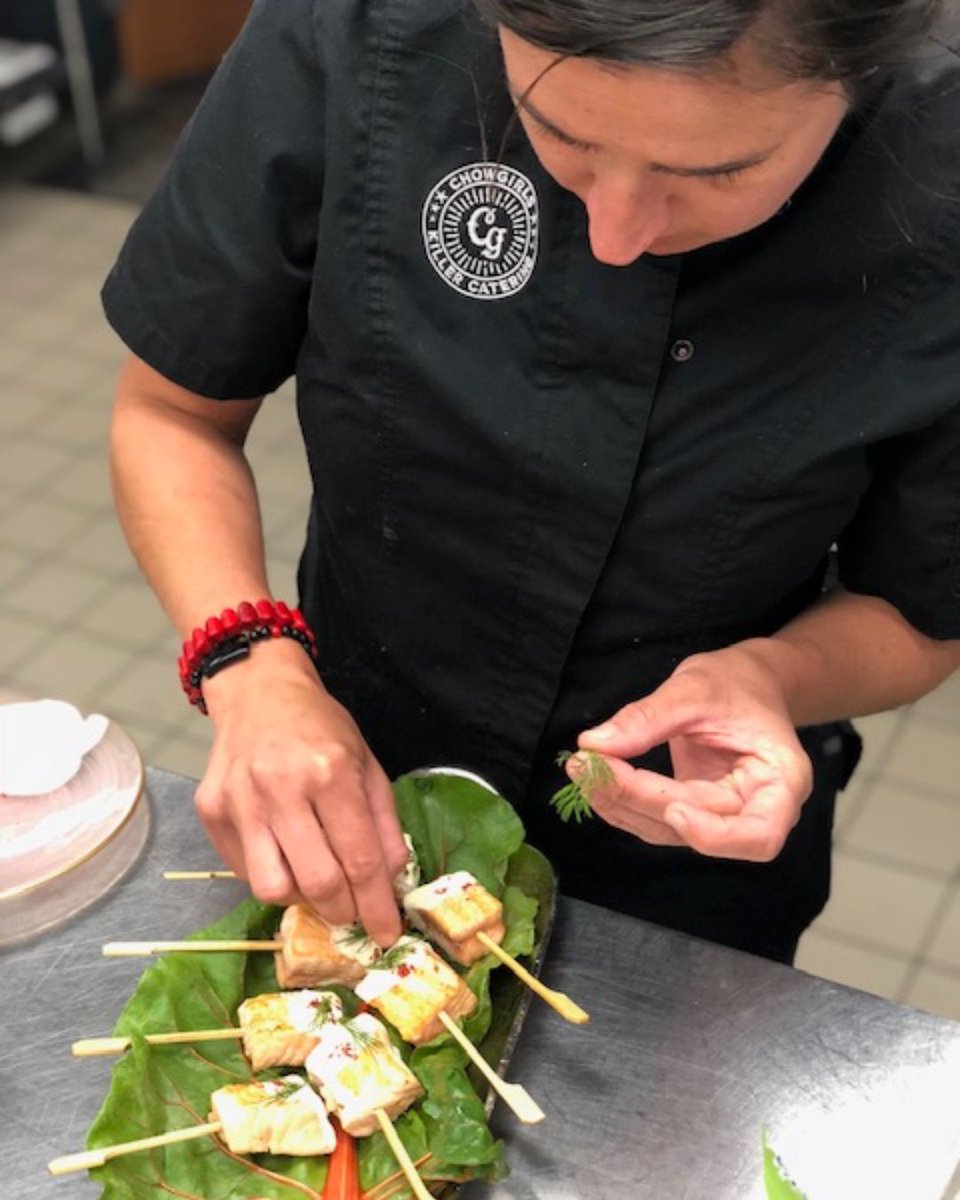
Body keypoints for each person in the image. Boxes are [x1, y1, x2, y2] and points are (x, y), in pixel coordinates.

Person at [105, 0, 960, 964]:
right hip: (350, 770)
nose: (616, 235)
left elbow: (922, 610)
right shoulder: (363, 26)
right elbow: (172, 415)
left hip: (682, 849)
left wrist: (772, 677)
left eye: (717, 173)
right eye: (558, 132)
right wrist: (250, 669)